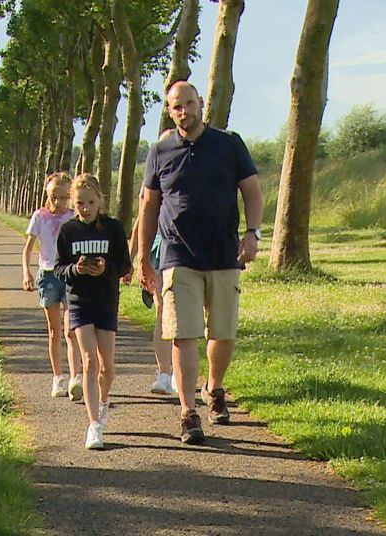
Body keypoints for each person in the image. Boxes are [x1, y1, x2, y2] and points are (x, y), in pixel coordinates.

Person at [137, 81, 264, 445]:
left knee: (222, 333)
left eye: (189, 104)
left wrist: (252, 232)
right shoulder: (160, 151)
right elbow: (149, 206)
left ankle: (215, 387)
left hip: (224, 253)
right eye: (177, 106)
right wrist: (144, 257)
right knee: (183, 334)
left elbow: (252, 192)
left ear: (201, 104)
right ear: (169, 109)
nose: (184, 111)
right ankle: (187, 412)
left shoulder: (229, 144)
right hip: (178, 255)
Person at [53, 173, 131, 450]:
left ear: (100, 201)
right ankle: (94, 425)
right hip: (79, 303)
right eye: (79, 203)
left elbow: (124, 265)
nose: (84, 208)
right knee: (89, 362)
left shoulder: (113, 228)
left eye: (89, 202)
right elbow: (59, 268)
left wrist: (105, 269)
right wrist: (78, 268)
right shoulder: (68, 231)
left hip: (106, 303)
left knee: (107, 367)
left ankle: (104, 400)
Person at [22, 172, 82, 399]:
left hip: (68, 275)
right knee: (54, 331)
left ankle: (75, 377)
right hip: (47, 276)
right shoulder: (40, 217)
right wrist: (26, 271)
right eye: (54, 197)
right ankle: (58, 377)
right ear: (48, 195)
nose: (58, 202)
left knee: (71, 330)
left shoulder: (73, 217)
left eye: (63, 197)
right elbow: (28, 248)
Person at [127, 187, 177, 397]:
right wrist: (131, 259)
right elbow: (142, 218)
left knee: (182, 314)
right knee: (164, 311)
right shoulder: (155, 169)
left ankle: (178, 372)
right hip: (158, 249)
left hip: (185, 248)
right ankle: (164, 374)